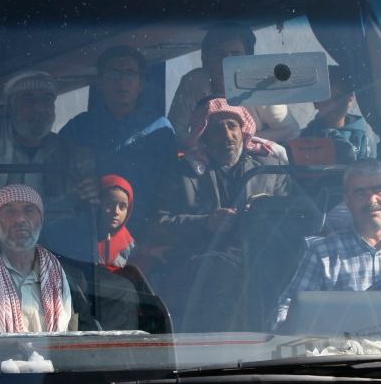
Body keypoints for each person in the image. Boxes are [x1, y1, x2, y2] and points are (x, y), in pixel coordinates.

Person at [149, 97, 292, 331]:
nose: (227, 135)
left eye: (232, 126)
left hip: (259, 267)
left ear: (243, 130)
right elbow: (158, 225)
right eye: (217, 128)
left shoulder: (270, 169)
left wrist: (260, 218)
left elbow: (290, 221)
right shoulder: (179, 172)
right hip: (199, 270)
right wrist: (206, 223)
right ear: (203, 135)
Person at [273, 159, 381, 328]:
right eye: (360, 193)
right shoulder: (321, 254)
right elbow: (289, 310)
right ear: (347, 201)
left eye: (378, 191)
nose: (371, 200)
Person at [59, 46, 176, 239]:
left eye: (130, 74)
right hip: (87, 233)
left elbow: (170, 190)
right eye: (114, 74)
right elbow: (58, 182)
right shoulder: (78, 127)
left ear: (142, 83)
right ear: (100, 83)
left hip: (143, 235)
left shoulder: (159, 128)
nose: (122, 81)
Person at [0, 184, 95, 336]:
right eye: (10, 211)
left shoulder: (70, 278)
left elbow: (87, 340)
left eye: (28, 210)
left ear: (40, 221)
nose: (19, 219)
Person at [0, 70, 98, 203]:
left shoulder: (78, 158)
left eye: (46, 100)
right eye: (29, 100)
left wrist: (87, 199)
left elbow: (87, 209)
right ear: (11, 107)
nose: (39, 108)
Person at [168, 23, 300, 150]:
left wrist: (240, 142)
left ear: (247, 62)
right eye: (219, 55)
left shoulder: (261, 86)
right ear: (205, 60)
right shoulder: (192, 82)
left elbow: (291, 130)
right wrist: (208, 145)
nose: (226, 63)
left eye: (236, 55)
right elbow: (174, 132)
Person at [300, 65, 376, 159]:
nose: (333, 105)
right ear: (315, 102)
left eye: (339, 98)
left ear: (350, 99)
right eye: (326, 98)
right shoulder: (301, 138)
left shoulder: (362, 140)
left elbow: (369, 168)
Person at [98, 175, 135, 270]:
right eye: (109, 204)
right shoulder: (86, 236)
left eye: (122, 207)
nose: (116, 212)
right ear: (98, 203)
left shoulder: (130, 245)